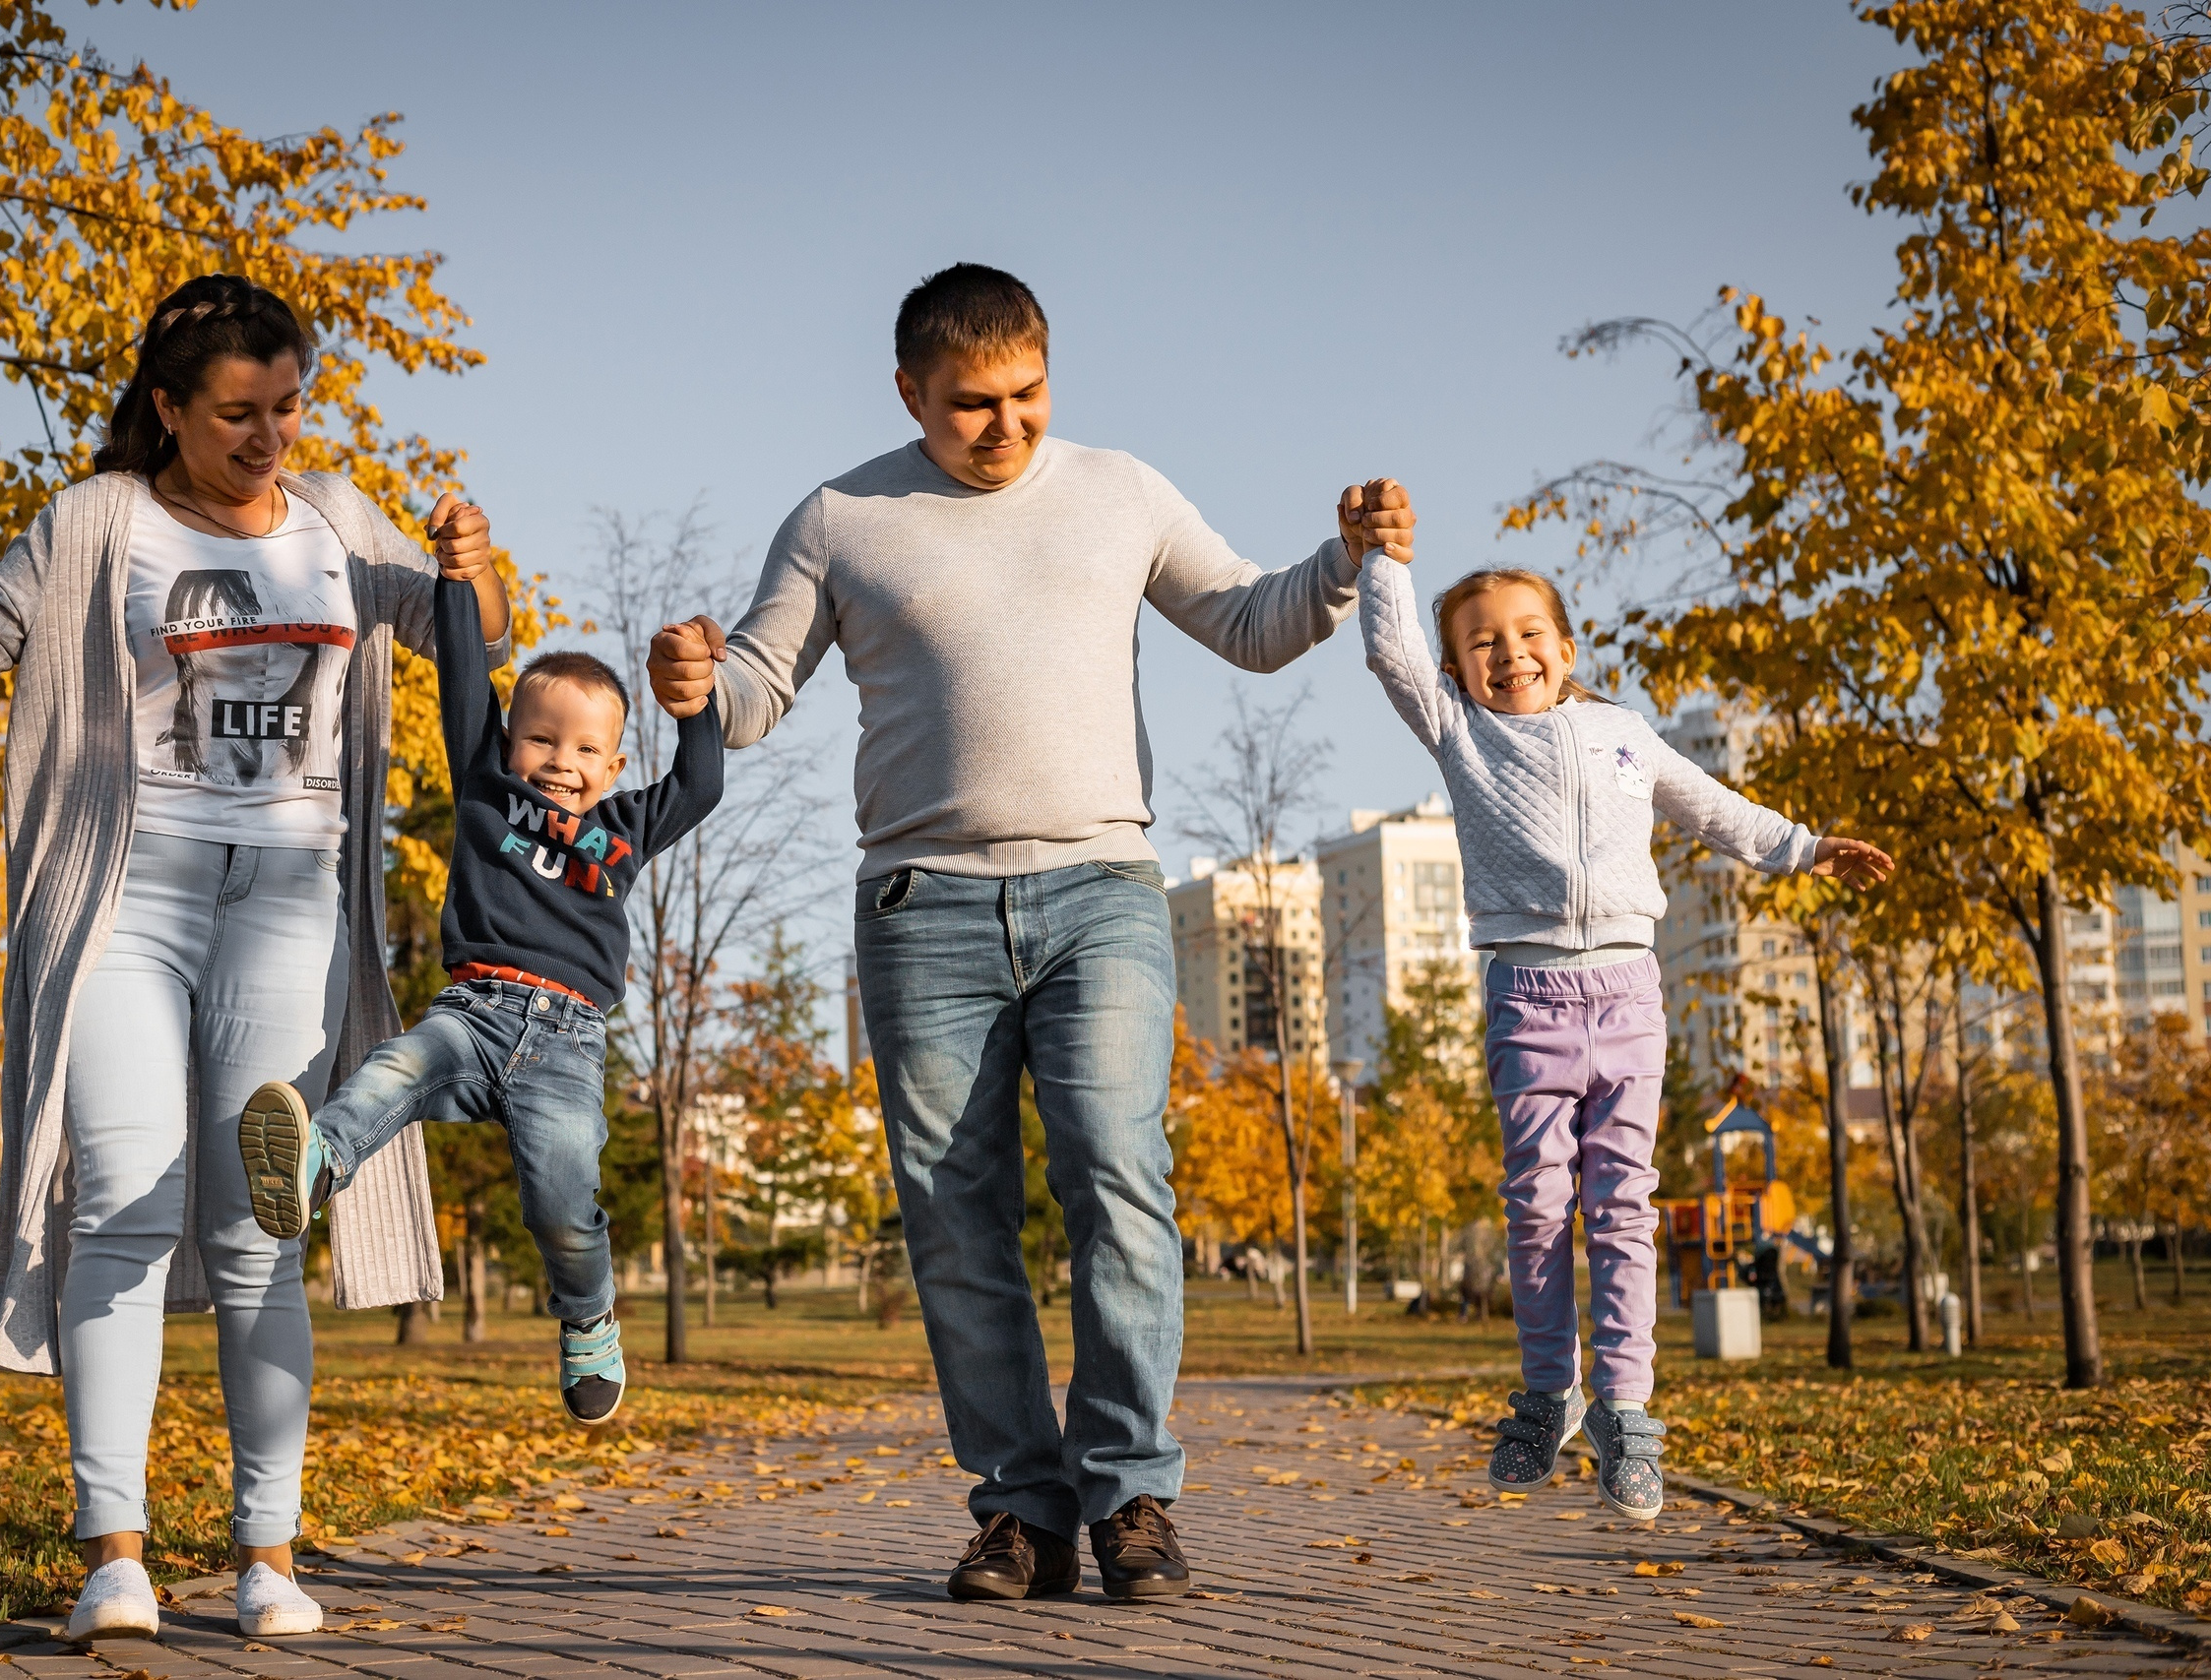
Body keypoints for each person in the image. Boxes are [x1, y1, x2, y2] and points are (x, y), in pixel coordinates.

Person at [645, 263, 1416, 1601]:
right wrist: (694, 681)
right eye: (971, 404)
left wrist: (1343, 558)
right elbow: (758, 688)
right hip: (920, 907)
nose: (1005, 425)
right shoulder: (840, 518)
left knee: (1118, 1173)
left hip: (1100, 891)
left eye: (1027, 394)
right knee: (957, 1218)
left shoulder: (1121, 491)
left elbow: (1249, 622)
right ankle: (1021, 1508)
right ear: (910, 393)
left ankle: (1131, 1496)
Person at [0, 274, 511, 1642]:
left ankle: (268, 1554)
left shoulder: (340, 520)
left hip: (292, 905)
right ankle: (114, 1553)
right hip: (126, 899)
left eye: (287, 406)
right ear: (168, 407)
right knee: (120, 1202)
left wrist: (473, 564)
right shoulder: (97, 524)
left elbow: (474, 633)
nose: (269, 437)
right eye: (237, 413)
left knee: (260, 1225)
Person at [1355, 547, 1893, 1521]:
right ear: (1455, 671)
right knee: (1536, 1205)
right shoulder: (1460, 729)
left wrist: (1802, 848)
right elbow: (1391, 652)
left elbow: (1710, 806)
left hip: (1628, 994)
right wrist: (1382, 556)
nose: (1509, 654)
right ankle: (1547, 1392)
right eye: (1482, 644)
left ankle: (1627, 1409)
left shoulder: (1624, 734)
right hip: (1529, 998)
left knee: (1622, 1208)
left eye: (1528, 634)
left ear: (1565, 648)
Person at [232, 575, 722, 1425]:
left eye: (584, 750)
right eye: (541, 739)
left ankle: (588, 1317)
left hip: (568, 1041)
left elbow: (701, 782)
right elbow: (463, 670)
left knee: (561, 1202)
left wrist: (695, 701)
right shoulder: (487, 784)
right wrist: (458, 576)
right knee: (394, 1069)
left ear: (614, 766)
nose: (560, 762)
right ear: (508, 742)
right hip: (471, 1014)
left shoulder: (626, 830)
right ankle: (313, 1165)